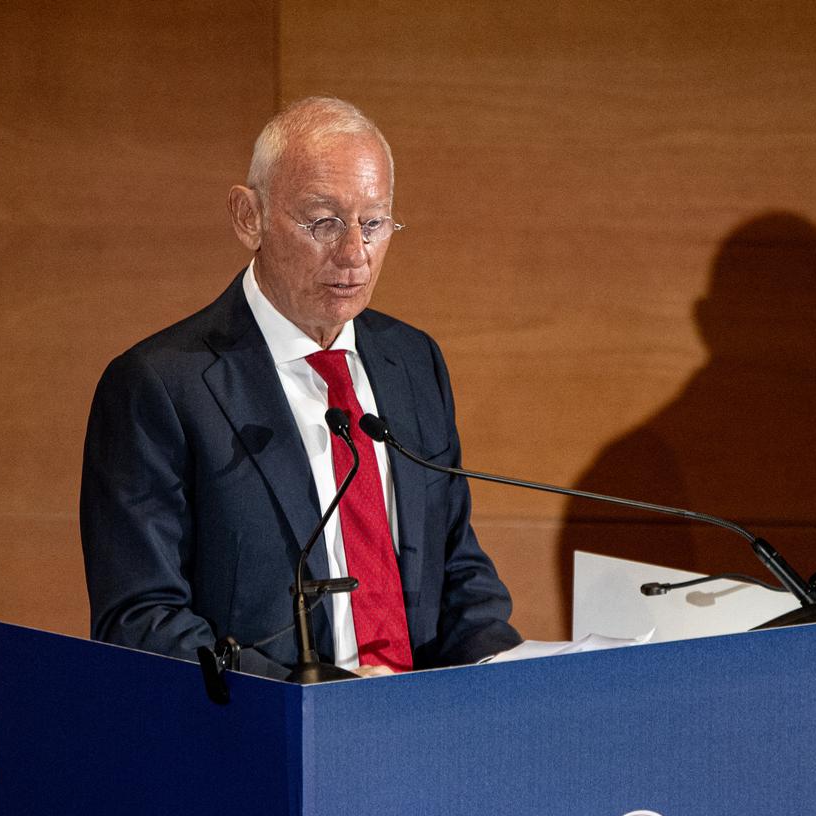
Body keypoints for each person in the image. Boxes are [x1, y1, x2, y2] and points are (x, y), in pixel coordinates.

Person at [80, 97, 519, 678]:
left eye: (374, 223)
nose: (354, 253)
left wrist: (506, 666)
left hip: (419, 729)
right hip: (265, 740)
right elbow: (141, 619)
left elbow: (456, 565)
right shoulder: (160, 387)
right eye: (324, 222)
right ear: (248, 217)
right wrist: (312, 695)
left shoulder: (413, 363)